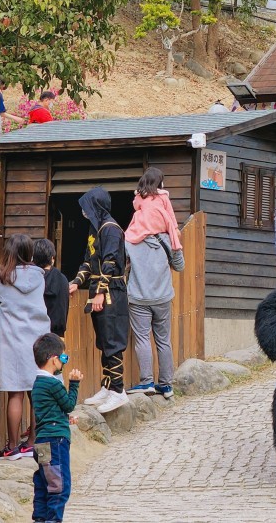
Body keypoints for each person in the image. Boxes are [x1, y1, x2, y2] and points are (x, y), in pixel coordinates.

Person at [0, 234, 50, 461]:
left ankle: (11, 446)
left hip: (12, 342)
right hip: (38, 342)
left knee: (15, 394)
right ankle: (31, 443)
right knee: (35, 393)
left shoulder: (0, 279)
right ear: (29, 253)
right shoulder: (39, 278)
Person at [124, 168, 183, 399]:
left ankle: (146, 382)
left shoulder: (130, 235)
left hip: (138, 296)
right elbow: (179, 265)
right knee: (163, 340)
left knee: (142, 339)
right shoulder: (167, 234)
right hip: (163, 296)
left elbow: (123, 264)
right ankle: (166, 385)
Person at [71, 187, 130, 414]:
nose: (84, 212)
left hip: (111, 292)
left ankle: (118, 390)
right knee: (103, 341)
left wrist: (100, 292)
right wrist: (76, 282)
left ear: (95, 206)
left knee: (113, 340)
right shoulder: (95, 228)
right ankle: (107, 386)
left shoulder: (112, 229)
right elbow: (88, 261)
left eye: (86, 207)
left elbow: (111, 263)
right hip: (99, 289)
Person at [31, 333, 82, 523]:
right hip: (55, 442)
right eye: (63, 358)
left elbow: (47, 413)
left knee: (44, 485)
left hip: (42, 441)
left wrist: (65, 420)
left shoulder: (37, 385)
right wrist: (75, 383)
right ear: (54, 359)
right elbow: (68, 404)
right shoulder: (53, 383)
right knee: (60, 488)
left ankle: (40, 519)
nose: (64, 362)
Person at [33, 239, 74, 338]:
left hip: (35, 335)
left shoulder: (32, 279)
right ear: (52, 258)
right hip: (57, 336)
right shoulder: (62, 279)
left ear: (33, 259)